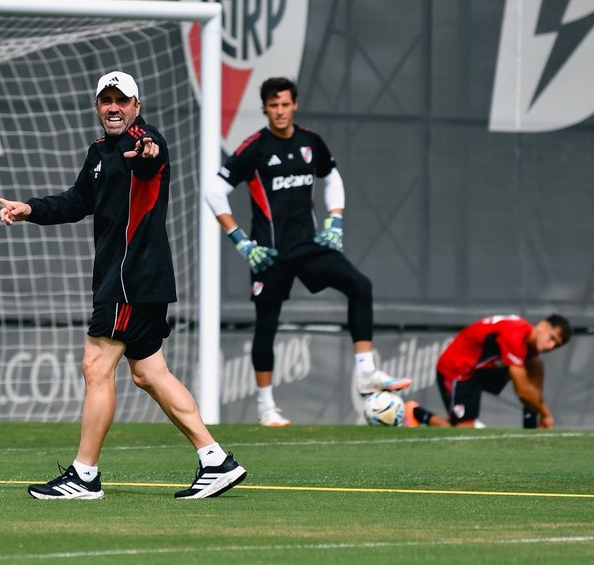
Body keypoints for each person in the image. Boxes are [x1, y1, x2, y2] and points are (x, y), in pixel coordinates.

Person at [0, 71, 246, 500]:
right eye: (106, 100)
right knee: (149, 373)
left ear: (136, 106)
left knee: (95, 366)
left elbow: (149, 157)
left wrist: (145, 151)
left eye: (122, 100)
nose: (114, 107)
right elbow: (77, 201)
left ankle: (84, 475)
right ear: (97, 106)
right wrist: (29, 208)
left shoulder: (146, 140)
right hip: (133, 279)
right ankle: (215, 459)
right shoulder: (99, 151)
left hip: (130, 278)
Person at [203, 77, 410, 427]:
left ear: (294, 105)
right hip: (269, 253)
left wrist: (335, 221)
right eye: (273, 105)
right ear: (265, 108)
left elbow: (333, 178)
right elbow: (214, 190)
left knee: (360, 285)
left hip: (308, 245)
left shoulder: (310, 142)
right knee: (266, 325)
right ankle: (266, 407)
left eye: (285, 104)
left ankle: (365, 372)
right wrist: (240, 241)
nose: (280, 111)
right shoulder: (254, 148)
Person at [404, 314, 572, 428]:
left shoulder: (529, 344)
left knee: (535, 365)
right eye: (551, 338)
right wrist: (546, 414)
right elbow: (522, 391)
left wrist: (540, 412)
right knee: (464, 431)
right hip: (457, 370)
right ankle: (416, 413)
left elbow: (531, 386)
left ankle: (531, 428)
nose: (550, 346)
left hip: (481, 369)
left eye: (556, 345)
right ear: (542, 326)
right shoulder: (515, 335)